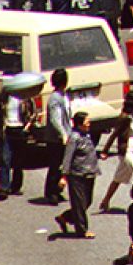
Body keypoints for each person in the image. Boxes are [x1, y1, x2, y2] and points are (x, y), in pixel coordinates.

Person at [99, 88, 133, 212]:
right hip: (126, 149)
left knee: (119, 177)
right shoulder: (124, 117)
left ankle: (105, 200)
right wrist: (105, 151)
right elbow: (114, 135)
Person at [57, 110, 100, 237]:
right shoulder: (74, 138)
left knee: (87, 201)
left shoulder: (86, 135)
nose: (89, 123)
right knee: (79, 203)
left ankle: (64, 217)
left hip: (90, 172)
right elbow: (67, 158)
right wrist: (64, 176)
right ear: (80, 124)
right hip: (77, 175)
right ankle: (82, 230)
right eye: (87, 122)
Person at [42, 67, 73, 204]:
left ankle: (57, 190)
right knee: (55, 165)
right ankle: (51, 192)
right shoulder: (55, 98)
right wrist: (63, 134)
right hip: (56, 138)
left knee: (62, 165)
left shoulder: (64, 96)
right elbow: (56, 119)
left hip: (65, 135)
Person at [0, 77, 31, 199]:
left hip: (20, 129)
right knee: (5, 159)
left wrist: (28, 126)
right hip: (7, 129)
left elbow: (31, 112)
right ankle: (4, 188)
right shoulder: (4, 97)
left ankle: (16, 185)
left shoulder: (24, 96)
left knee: (18, 160)